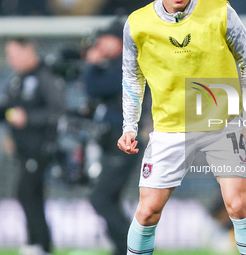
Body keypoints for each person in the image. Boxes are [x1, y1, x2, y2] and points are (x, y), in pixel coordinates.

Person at [117, 0, 246, 254]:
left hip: (222, 123)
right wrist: (129, 126)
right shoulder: (137, 24)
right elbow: (132, 74)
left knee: (238, 204)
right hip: (169, 128)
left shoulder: (220, 11)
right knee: (147, 211)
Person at [0, 38, 65, 255]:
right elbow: (6, 109)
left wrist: (28, 118)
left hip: (41, 147)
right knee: (31, 194)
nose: (11, 59)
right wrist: (9, 129)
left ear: (29, 50)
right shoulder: (17, 79)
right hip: (23, 149)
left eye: (14, 54)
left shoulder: (45, 76)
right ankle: (39, 243)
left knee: (26, 191)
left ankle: (38, 244)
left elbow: (57, 111)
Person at [82, 22, 142, 255]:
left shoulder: (126, 64)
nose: (99, 45)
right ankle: (123, 249)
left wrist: (92, 66)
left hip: (125, 142)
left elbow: (95, 87)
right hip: (115, 141)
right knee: (110, 199)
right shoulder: (115, 65)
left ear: (118, 40)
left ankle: (134, 249)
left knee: (101, 199)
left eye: (104, 39)